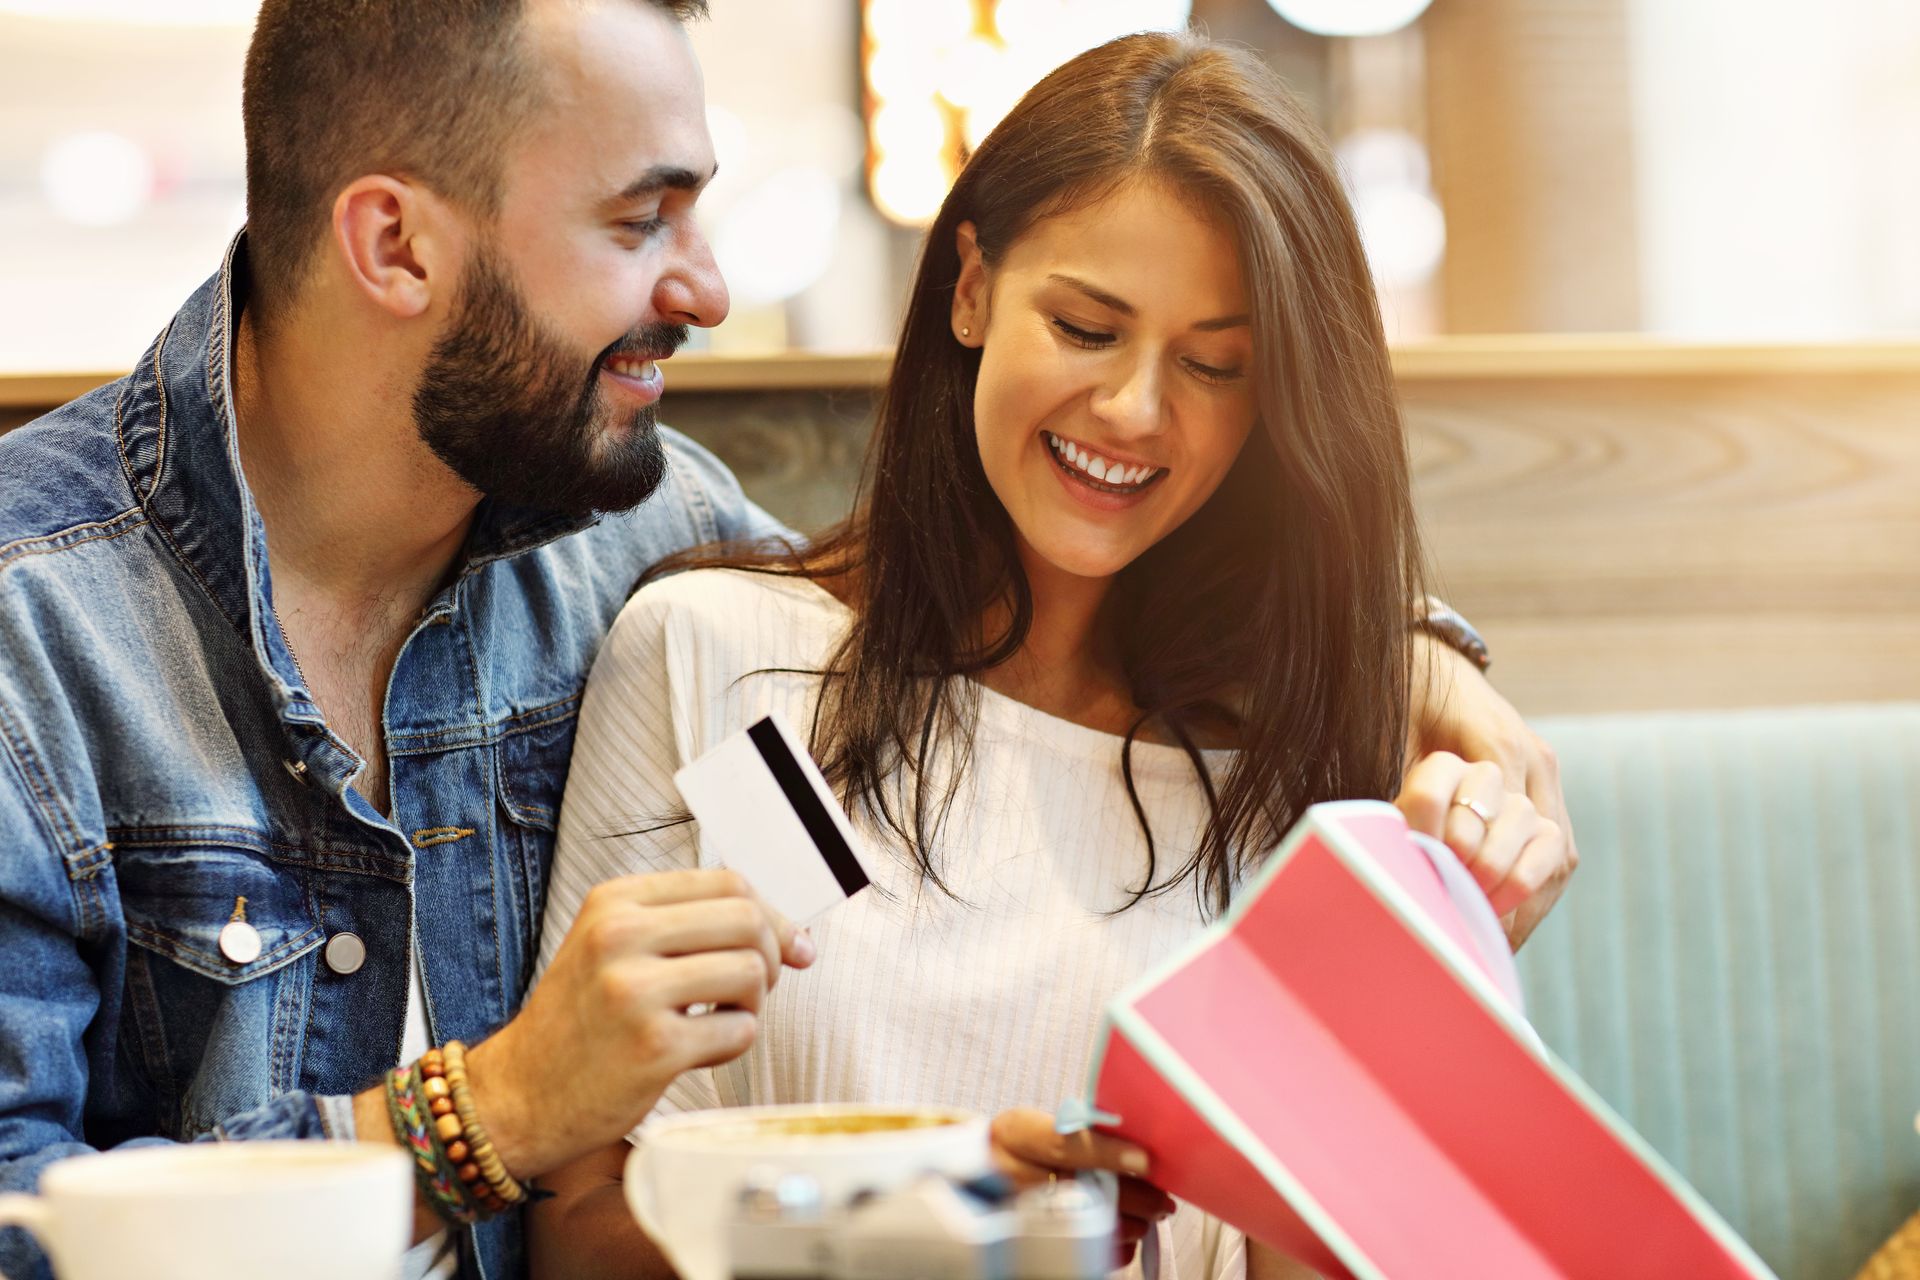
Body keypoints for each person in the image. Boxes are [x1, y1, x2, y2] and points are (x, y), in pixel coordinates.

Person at [0, 4, 1565, 1280]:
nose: (710, 287)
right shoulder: (34, 619)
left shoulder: (629, 528)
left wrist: (1405, 660)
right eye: (641, 219)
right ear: (396, 246)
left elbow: (917, 584)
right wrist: (489, 1115)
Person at [530, 28, 1573, 1280]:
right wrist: (917, 1225)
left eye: (1214, 363)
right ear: (970, 287)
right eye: (1086, 327)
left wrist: (1428, 980)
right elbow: (580, 1222)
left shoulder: (1314, 767)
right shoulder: (729, 669)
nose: (1136, 410)